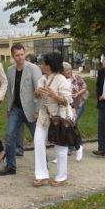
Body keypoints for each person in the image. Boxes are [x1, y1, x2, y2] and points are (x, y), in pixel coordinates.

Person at [0, 43, 42, 176]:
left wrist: (38, 110)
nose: (20, 57)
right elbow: (11, 92)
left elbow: (40, 91)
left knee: (37, 139)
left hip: (31, 109)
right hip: (16, 109)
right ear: (13, 56)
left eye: (22, 54)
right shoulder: (10, 70)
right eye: (17, 55)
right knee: (10, 136)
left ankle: (42, 165)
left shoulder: (33, 69)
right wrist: (8, 109)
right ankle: (10, 166)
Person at [33, 52, 73, 186]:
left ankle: (62, 177)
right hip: (44, 115)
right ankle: (42, 175)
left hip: (58, 117)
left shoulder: (61, 79)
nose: (42, 65)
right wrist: (38, 93)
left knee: (60, 147)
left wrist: (55, 95)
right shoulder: (42, 79)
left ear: (49, 65)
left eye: (43, 63)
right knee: (38, 141)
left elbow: (67, 100)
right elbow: (37, 95)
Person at [62, 62, 88, 161]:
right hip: (67, 106)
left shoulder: (76, 77)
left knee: (72, 124)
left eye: (70, 69)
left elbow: (85, 87)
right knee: (68, 125)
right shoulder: (61, 80)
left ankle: (78, 146)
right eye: (66, 70)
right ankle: (70, 147)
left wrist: (78, 93)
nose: (68, 72)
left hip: (78, 105)